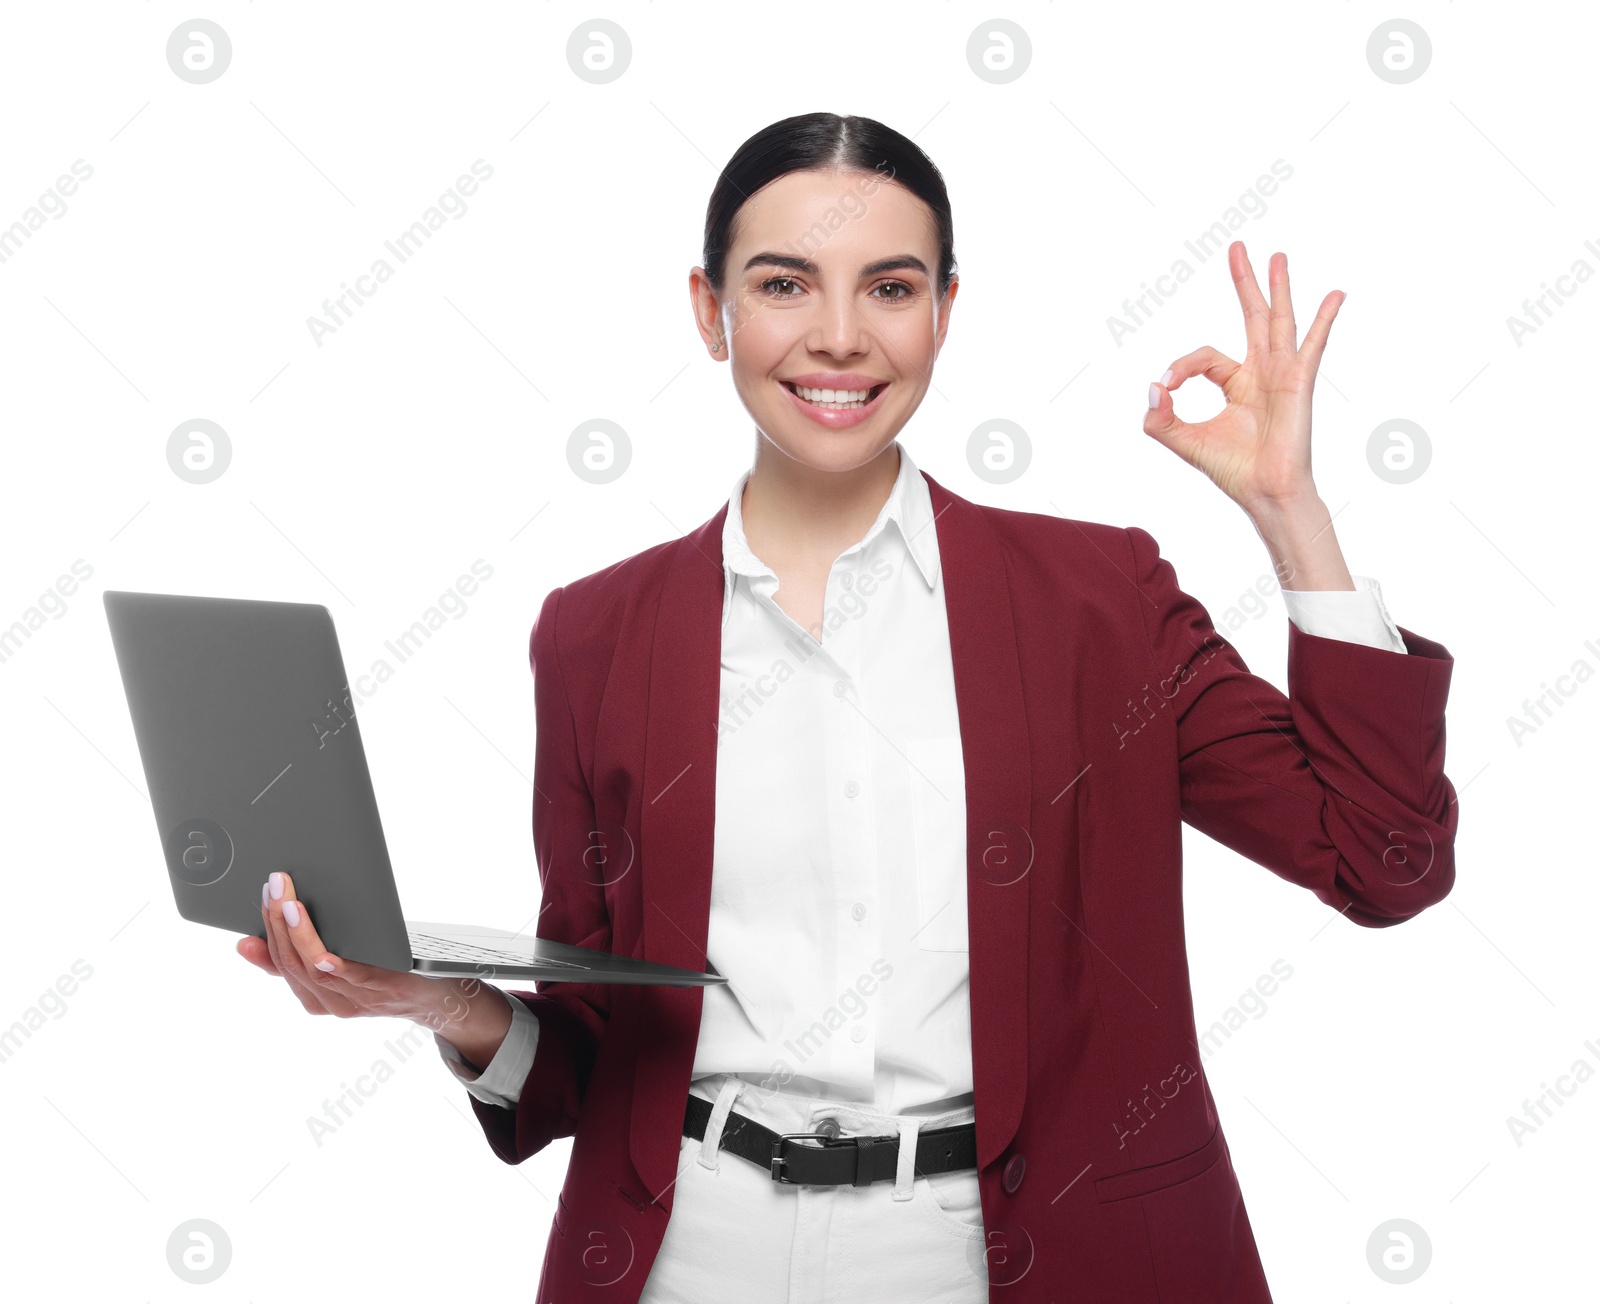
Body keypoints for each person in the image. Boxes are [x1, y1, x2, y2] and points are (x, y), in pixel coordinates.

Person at [238, 112, 1457, 1302]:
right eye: (781, 284)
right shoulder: (595, 632)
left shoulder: (1100, 598)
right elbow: (592, 1053)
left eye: (887, 287)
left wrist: (1291, 510)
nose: (836, 337)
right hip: (690, 1249)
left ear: (943, 312)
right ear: (709, 312)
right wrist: (430, 998)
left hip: (1010, 1251)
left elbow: (1383, 858)